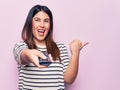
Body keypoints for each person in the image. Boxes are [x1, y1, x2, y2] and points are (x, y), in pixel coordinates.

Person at [13, 4, 88, 90]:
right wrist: (29, 54)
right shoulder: (21, 46)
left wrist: (75, 53)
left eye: (46, 21)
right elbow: (23, 55)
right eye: (37, 20)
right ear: (30, 23)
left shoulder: (60, 48)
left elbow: (69, 80)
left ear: (50, 25)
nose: (42, 25)